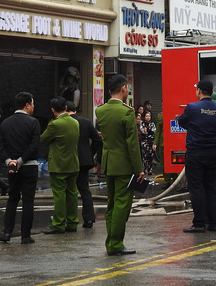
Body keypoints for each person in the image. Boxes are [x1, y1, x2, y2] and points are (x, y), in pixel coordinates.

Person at [95, 74, 144, 255]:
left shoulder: (100, 111)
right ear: (124, 88)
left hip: (108, 164)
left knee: (112, 204)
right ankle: (115, 243)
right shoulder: (127, 112)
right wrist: (139, 168)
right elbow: (132, 144)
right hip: (124, 165)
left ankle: (111, 242)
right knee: (122, 205)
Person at [177, 79, 216, 233]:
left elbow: (182, 122)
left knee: (196, 188)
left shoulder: (192, 108)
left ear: (199, 91)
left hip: (196, 151)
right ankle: (214, 223)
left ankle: (199, 223)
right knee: (211, 187)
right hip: (213, 151)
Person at [0, 92, 40, 244]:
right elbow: (34, 146)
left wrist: (10, 161)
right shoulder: (33, 122)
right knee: (28, 200)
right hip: (28, 166)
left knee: (13, 198)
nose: (33, 107)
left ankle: (7, 232)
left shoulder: (5, 123)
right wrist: (21, 160)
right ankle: (25, 235)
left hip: (11, 167)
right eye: (32, 104)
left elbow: (0, 146)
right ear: (27, 105)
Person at [41, 96, 81, 234]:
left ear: (53, 110)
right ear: (65, 108)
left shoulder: (54, 124)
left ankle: (58, 223)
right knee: (72, 194)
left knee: (59, 195)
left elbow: (43, 140)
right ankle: (72, 222)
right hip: (73, 163)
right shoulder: (75, 123)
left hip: (58, 164)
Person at [66, 99, 101, 228]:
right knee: (84, 190)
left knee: (69, 190)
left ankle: (70, 218)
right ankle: (89, 218)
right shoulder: (86, 122)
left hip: (69, 160)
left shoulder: (64, 122)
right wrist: (89, 153)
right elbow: (97, 139)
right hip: (85, 160)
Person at [139, 111, 157, 175]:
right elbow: (143, 132)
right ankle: (146, 169)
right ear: (144, 117)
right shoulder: (142, 123)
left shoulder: (152, 124)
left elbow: (154, 131)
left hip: (151, 141)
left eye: (149, 116)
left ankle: (150, 169)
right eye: (146, 116)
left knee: (151, 155)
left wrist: (148, 131)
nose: (148, 117)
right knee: (145, 156)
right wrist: (148, 132)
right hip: (144, 141)